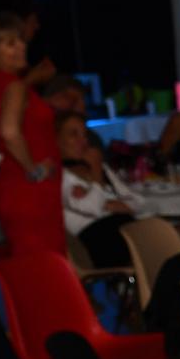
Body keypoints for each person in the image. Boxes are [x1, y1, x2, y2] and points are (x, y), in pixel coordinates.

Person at [0, 11, 64, 255]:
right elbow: (9, 131)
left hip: (12, 186)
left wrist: (1, 160)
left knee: (33, 264)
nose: (22, 46)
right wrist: (33, 169)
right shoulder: (14, 86)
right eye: (11, 43)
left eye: (19, 40)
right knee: (47, 266)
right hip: (32, 190)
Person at [57, 110, 140, 267]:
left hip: (124, 229)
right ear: (57, 140)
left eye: (84, 135)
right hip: (97, 240)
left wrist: (117, 205)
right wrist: (96, 174)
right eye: (74, 134)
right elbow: (93, 208)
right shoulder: (59, 177)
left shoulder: (101, 169)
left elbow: (138, 201)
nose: (83, 141)